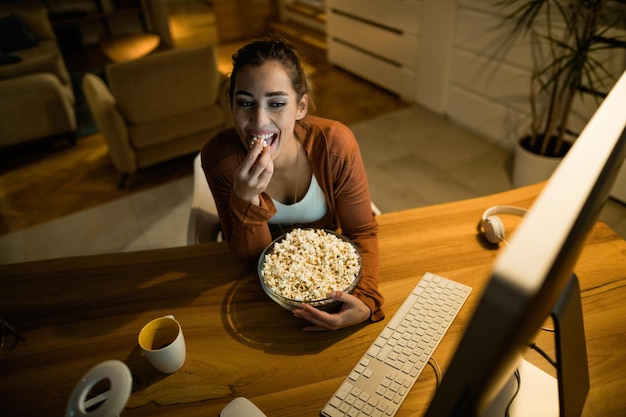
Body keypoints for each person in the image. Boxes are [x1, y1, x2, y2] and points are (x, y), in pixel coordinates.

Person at [201, 36, 384, 331]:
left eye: (276, 103)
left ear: (300, 107)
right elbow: (250, 260)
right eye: (245, 102)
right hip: (263, 299)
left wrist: (366, 299)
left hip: (329, 285)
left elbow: (361, 231)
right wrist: (247, 198)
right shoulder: (220, 158)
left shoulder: (335, 144)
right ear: (231, 106)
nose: (259, 120)